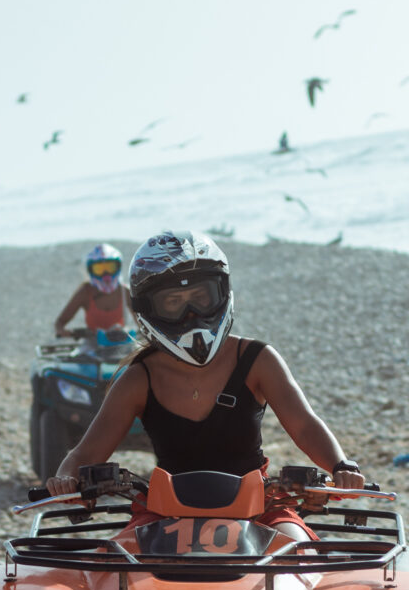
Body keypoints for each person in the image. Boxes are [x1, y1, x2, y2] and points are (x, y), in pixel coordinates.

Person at [45, 230, 365, 539]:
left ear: (221, 293)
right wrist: (65, 477)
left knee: (297, 553)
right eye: (173, 302)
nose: (191, 314)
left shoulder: (257, 359)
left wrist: (341, 465)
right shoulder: (138, 377)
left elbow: (305, 424)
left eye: (200, 297)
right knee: (115, 574)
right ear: (147, 310)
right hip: (164, 509)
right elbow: (86, 451)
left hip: (259, 504)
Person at [53, 243, 132, 336]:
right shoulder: (85, 292)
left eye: (110, 268)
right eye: (99, 269)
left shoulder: (125, 291)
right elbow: (60, 322)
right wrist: (62, 331)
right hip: (93, 343)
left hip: (121, 340)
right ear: (91, 270)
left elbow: (141, 321)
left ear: (118, 267)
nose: (106, 274)